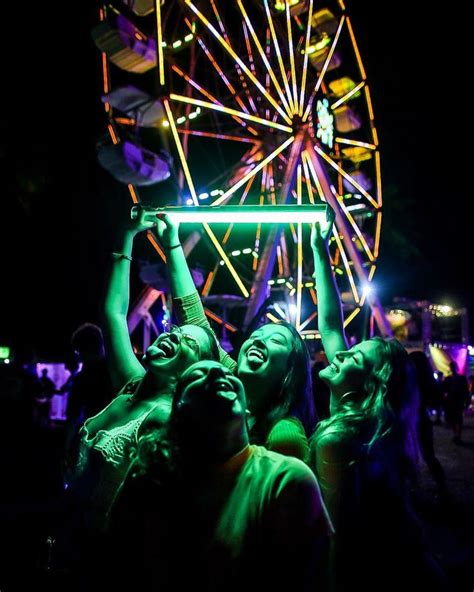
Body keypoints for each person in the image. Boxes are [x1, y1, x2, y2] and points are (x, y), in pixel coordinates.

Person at [55, 211, 220, 590]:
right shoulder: (132, 385)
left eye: (187, 343)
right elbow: (113, 314)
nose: (172, 337)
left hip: (106, 568)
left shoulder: (162, 419)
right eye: (175, 332)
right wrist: (127, 234)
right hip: (68, 547)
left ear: (192, 371)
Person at [309, 204, 447, 592]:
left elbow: (340, 541)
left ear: (371, 386)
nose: (338, 353)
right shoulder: (368, 427)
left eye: (353, 356)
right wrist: (321, 253)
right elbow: (332, 323)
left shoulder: (342, 440)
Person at [109, 360, 332, 592]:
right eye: (196, 376)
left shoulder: (286, 480)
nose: (217, 372)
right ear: (176, 411)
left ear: (247, 412)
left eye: (227, 373)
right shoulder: (149, 473)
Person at [154, 210, 316, 462]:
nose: (259, 340)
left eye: (275, 340)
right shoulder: (229, 379)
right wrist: (172, 243)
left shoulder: (285, 436)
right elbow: (193, 317)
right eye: (257, 334)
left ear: (289, 372)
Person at [408, 350, 447, 499]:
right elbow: (436, 399)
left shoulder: (409, 380)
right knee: (429, 456)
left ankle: (412, 488)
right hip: (423, 421)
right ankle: (442, 486)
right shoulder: (428, 380)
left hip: (410, 421)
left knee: (411, 457)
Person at [442, 361, 470, 444]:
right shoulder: (456, 378)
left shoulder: (458, 378)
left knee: (457, 419)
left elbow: (465, 391)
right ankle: (456, 435)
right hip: (454, 401)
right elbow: (444, 390)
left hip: (456, 401)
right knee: (455, 419)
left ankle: (457, 435)